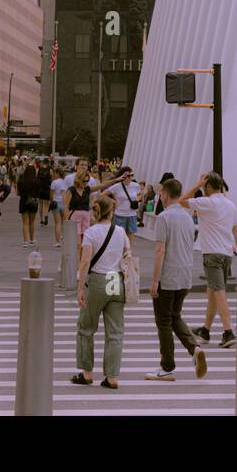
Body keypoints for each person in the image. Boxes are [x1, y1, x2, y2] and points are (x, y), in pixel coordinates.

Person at [146, 177, 207, 381]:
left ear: (164, 193)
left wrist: (155, 280)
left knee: (163, 321)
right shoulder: (187, 217)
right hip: (185, 274)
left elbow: (160, 250)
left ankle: (167, 366)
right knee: (175, 316)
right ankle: (194, 349)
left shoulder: (164, 218)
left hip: (168, 276)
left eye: (161, 193)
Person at [178, 171, 237, 348]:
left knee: (218, 293)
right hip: (226, 254)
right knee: (213, 294)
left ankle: (228, 331)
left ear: (208, 186)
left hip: (212, 255)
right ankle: (205, 330)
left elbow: (182, 200)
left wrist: (196, 185)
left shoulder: (206, 202)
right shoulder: (230, 205)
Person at [71, 194, 129, 389]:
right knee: (115, 331)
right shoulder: (121, 232)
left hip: (97, 280)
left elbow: (85, 260)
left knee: (86, 327)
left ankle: (87, 373)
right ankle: (112, 377)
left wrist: (80, 286)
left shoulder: (91, 233)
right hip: (116, 280)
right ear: (111, 212)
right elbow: (128, 255)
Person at [100, 166, 142, 248]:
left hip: (132, 215)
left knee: (130, 237)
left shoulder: (135, 185)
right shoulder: (117, 186)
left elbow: (140, 194)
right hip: (119, 215)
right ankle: (119, 255)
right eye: (128, 175)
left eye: (132, 175)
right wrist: (113, 201)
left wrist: (137, 199)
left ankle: (128, 255)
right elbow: (102, 195)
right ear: (122, 176)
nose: (130, 177)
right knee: (119, 237)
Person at [63, 166, 93, 247]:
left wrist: (116, 180)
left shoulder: (87, 189)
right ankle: (78, 259)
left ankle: (83, 259)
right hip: (75, 218)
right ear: (79, 179)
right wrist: (66, 222)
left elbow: (102, 185)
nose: (86, 183)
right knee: (78, 244)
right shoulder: (71, 190)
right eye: (84, 181)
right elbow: (66, 206)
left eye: (87, 181)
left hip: (86, 217)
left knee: (86, 243)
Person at [17, 160, 40, 246]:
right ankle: (31, 239)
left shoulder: (21, 180)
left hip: (23, 201)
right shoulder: (37, 181)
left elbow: (18, 193)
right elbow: (38, 193)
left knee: (25, 222)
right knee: (32, 222)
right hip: (33, 202)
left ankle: (25, 241)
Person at [49, 165, 68, 248]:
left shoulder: (54, 182)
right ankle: (65, 237)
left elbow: (51, 194)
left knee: (57, 223)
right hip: (64, 203)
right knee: (65, 222)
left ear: (57, 173)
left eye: (54, 173)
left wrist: (51, 201)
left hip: (56, 203)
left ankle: (57, 242)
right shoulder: (65, 182)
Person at [37, 161, 52, 226]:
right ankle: (46, 216)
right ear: (48, 163)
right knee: (46, 204)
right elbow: (52, 179)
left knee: (40, 204)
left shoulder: (39, 170)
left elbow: (37, 179)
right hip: (47, 189)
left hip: (40, 189)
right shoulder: (50, 170)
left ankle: (41, 219)